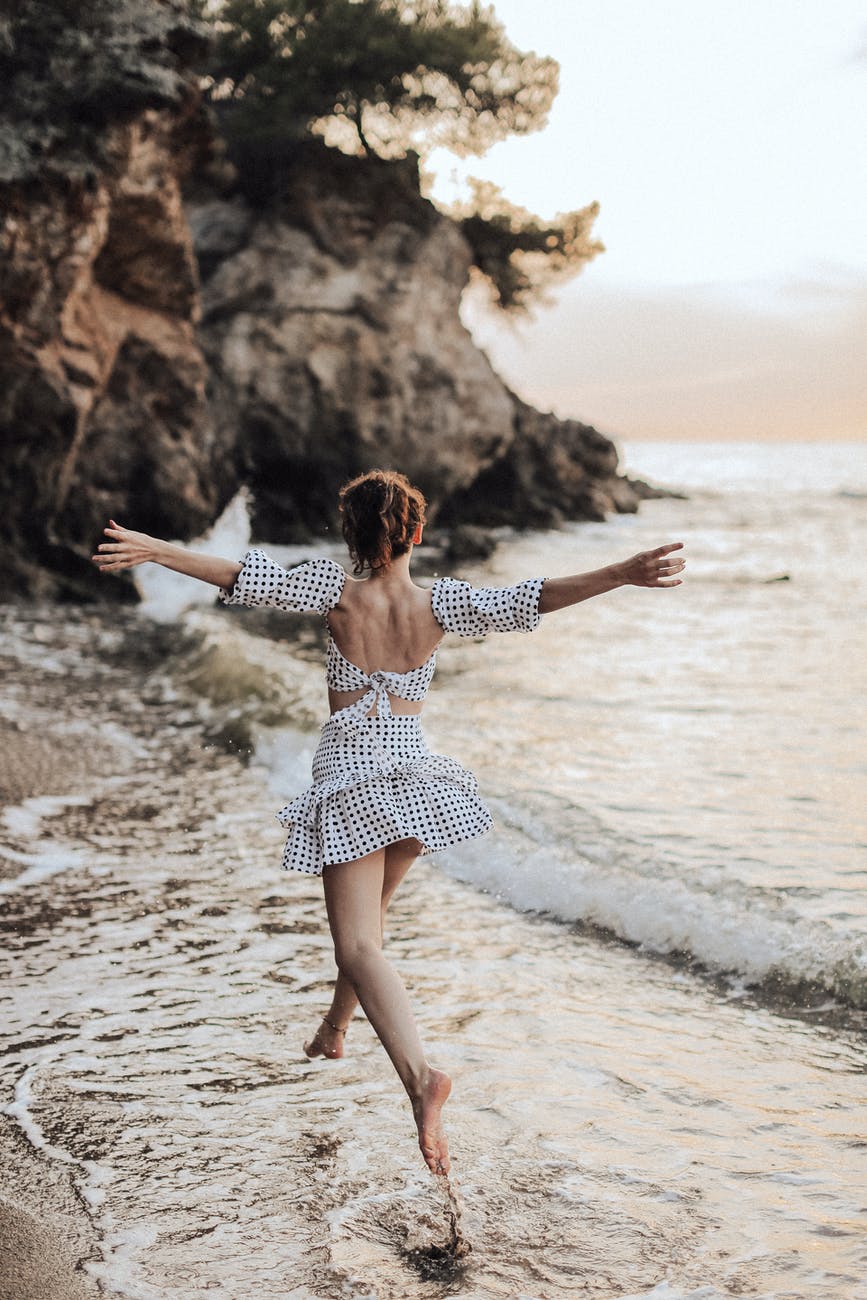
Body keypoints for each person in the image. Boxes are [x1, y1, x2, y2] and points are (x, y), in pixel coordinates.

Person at [93, 468, 685, 1175]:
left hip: (352, 783)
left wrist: (156, 549)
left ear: (350, 534)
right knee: (368, 933)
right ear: (416, 532)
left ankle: (420, 1079)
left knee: (358, 948)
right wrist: (621, 570)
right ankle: (335, 1028)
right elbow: (531, 599)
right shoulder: (444, 604)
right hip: (416, 785)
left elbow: (237, 573)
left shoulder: (331, 592)